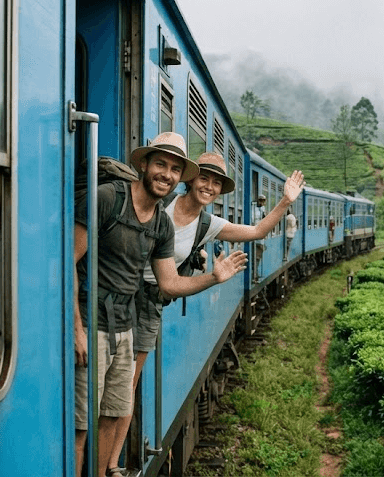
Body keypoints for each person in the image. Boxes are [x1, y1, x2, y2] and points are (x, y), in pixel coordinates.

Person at [106, 153, 303, 472]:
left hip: (149, 299)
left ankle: (111, 465)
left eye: (216, 183)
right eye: (204, 178)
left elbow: (255, 232)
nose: (209, 186)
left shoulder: (209, 225)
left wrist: (284, 201)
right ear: (190, 179)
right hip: (115, 287)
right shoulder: (163, 200)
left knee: (126, 384)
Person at [73, 133, 247, 477]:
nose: (166, 174)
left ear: (180, 177)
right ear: (144, 164)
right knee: (82, 425)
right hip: (93, 324)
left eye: (174, 169)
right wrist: (77, 329)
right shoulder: (107, 198)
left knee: (111, 415)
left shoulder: (161, 224)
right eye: (161, 164)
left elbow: (170, 283)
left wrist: (213, 277)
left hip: (124, 327)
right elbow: (69, 261)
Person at [252, 194, 268, 283]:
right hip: (255, 236)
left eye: (263, 201)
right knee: (256, 257)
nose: (262, 202)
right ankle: (254, 274)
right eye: (260, 200)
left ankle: (255, 273)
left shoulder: (262, 210)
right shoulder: (253, 209)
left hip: (260, 238)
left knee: (258, 257)